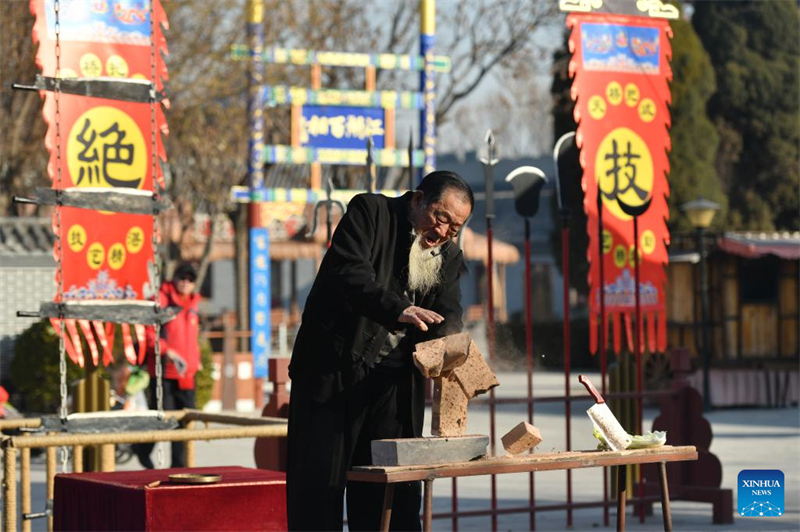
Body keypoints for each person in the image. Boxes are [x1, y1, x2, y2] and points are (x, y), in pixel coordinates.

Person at [286, 171, 474, 531]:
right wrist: (396, 308)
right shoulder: (370, 212)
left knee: (393, 496)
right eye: (441, 217)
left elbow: (448, 312)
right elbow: (348, 272)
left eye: (455, 227)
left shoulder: (447, 254)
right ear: (418, 200)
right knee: (318, 491)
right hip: (333, 376)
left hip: (394, 387)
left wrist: (454, 351)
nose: (444, 232)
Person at [134, 263, 201, 469]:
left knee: (184, 424)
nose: (186, 283)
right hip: (164, 372)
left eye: (191, 280)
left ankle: (179, 468)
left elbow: (191, 337)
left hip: (187, 374)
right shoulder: (160, 299)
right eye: (183, 278)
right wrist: (166, 350)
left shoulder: (193, 304)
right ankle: (142, 449)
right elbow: (147, 331)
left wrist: (196, 360)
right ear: (175, 278)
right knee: (162, 419)